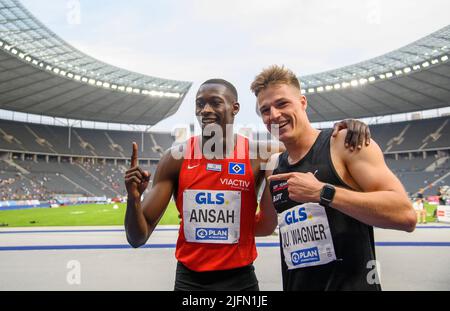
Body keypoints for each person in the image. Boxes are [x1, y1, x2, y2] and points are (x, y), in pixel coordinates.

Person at [124, 78, 370, 291]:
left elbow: (310, 146)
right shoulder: (175, 158)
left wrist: (342, 131)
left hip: (240, 279)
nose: (206, 110)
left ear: (235, 107)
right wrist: (133, 199)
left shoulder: (259, 154)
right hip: (190, 279)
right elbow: (138, 238)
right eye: (200, 104)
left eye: (215, 102)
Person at [251, 65, 417, 291]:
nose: (274, 115)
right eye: (265, 110)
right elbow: (263, 225)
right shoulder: (275, 169)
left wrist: (323, 193)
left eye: (282, 103)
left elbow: (406, 215)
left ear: (302, 102)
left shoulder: (344, 143)